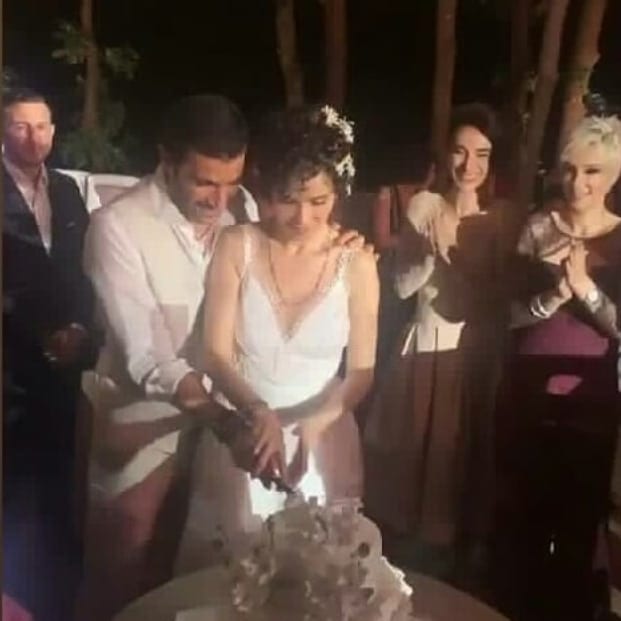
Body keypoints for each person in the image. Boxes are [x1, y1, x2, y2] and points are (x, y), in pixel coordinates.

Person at [77, 95, 371, 620]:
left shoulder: (248, 211)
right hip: (147, 424)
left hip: (235, 427)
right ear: (167, 160)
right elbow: (148, 357)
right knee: (120, 565)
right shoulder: (117, 227)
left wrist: (346, 242)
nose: (220, 199)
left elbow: (293, 234)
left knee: (209, 580)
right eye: (205, 183)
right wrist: (235, 417)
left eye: (232, 182)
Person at [174, 104, 380, 573]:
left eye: (319, 201)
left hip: (323, 435)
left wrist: (315, 424)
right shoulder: (237, 245)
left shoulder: (357, 263)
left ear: (338, 193)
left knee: (319, 578)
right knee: (230, 575)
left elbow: (361, 371)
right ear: (266, 191)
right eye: (288, 200)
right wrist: (255, 409)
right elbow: (215, 353)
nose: (303, 217)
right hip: (246, 433)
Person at [364, 103, 511, 580]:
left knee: (460, 457)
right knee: (412, 460)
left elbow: (498, 296)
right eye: (460, 151)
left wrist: (457, 257)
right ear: (445, 153)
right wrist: (426, 255)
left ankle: (457, 573)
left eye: (482, 154)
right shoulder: (425, 205)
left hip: (472, 352)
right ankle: (402, 570)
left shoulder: (501, 217)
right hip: (424, 346)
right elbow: (402, 286)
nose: (469, 165)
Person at [494, 116, 621, 621]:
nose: (578, 182)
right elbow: (509, 315)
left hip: (589, 409)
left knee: (576, 534)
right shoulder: (537, 227)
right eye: (569, 169)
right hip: (526, 398)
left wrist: (586, 290)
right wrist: (553, 295)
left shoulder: (620, 238)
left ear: (612, 176)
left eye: (592, 171)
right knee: (521, 526)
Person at [2, 88, 96, 621]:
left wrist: (77, 327)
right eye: (20, 126)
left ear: (54, 132)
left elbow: (83, 267)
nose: (32, 137)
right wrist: (38, 332)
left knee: (64, 477)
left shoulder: (66, 188)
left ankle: (61, 590)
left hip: (67, 360)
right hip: (10, 366)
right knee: (18, 489)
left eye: (41, 126)